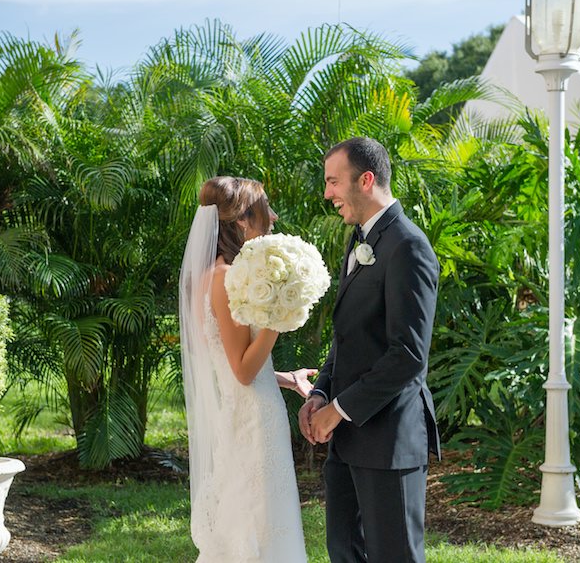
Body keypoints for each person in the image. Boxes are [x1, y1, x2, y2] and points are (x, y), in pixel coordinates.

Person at [298, 137, 441, 563]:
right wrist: (321, 392)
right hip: (347, 441)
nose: (327, 194)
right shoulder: (361, 239)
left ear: (366, 179)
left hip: (388, 441)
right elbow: (350, 337)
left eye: (333, 182)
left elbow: (408, 355)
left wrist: (337, 409)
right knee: (345, 552)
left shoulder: (408, 246)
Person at [179, 176, 314, 563]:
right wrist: (278, 313)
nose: (272, 216)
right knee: (259, 525)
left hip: (248, 413)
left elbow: (228, 365)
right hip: (254, 422)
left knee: (256, 520)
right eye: (264, 209)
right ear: (241, 221)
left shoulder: (217, 274)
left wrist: (286, 379)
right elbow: (242, 371)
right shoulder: (224, 279)